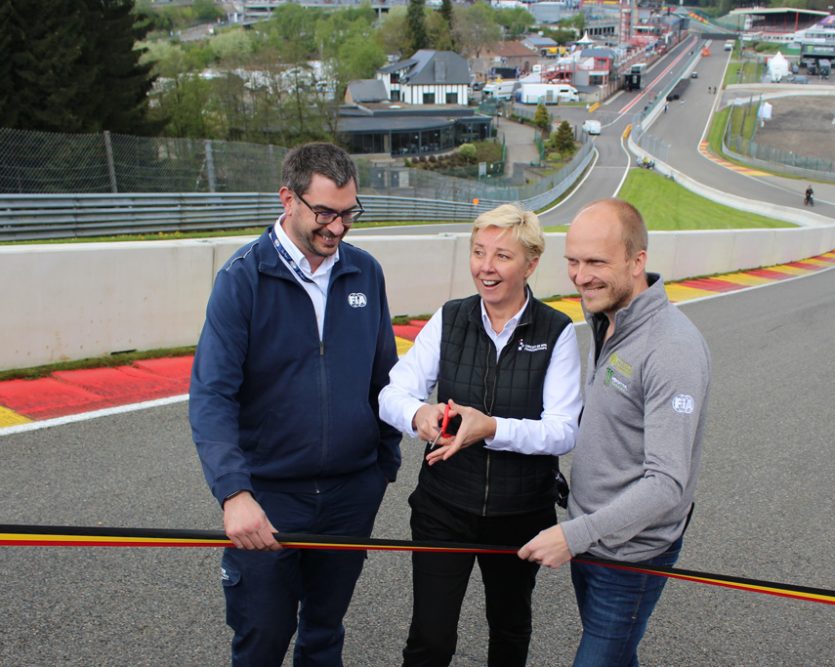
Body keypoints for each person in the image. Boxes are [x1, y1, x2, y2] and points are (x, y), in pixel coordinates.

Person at [189, 142, 401, 667]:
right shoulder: (243, 279)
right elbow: (212, 394)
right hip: (270, 498)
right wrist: (234, 493)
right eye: (324, 212)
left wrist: (382, 466)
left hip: (352, 494)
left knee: (325, 633)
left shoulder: (365, 273)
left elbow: (385, 378)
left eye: (348, 213)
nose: (337, 227)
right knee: (263, 635)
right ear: (288, 199)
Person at [378, 203, 583, 667]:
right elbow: (392, 393)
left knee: (509, 631)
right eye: (478, 252)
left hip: (520, 512)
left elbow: (563, 430)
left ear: (531, 264)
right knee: (430, 641)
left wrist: (490, 428)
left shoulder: (558, 332)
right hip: (444, 507)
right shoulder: (450, 318)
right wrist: (419, 415)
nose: (486, 268)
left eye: (502, 256)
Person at [518, 198, 711, 667]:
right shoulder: (605, 317)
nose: (581, 276)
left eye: (596, 262)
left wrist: (575, 535)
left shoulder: (672, 348)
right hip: (592, 536)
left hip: (632, 555)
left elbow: (667, 483)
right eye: (573, 262)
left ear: (636, 261)